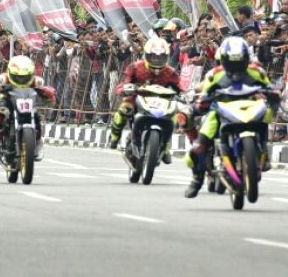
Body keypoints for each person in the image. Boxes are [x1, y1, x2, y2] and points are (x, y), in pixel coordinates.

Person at [184, 36, 277, 199]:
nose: (235, 66)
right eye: (232, 62)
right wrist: (200, 104)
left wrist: (274, 95)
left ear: (246, 59)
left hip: (249, 108)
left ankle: (264, 153)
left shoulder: (257, 71)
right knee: (199, 146)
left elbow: (270, 88)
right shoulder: (215, 75)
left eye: (239, 61)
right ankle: (197, 178)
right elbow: (204, 95)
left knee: (266, 115)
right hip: (220, 110)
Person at [107, 36, 184, 161]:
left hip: (162, 103)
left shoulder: (171, 72)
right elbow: (124, 83)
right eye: (154, 56)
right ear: (147, 55)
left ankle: (165, 149)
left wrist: (185, 95)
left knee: (173, 117)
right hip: (137, 100)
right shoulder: (135, 67)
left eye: (160, 57)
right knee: (124, 109)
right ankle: (115, 137)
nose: (157, 59)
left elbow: (180, 88)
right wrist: (124, 89)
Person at [0, 55, 55, 160]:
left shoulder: (37, 81)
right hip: (7, 102)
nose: (21, 80)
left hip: (27, 102)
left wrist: (47, 94)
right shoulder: (2, 80)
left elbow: (50, 100)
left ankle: (38, 144)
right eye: (18, 77)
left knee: (36, 117)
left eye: (24, 77)